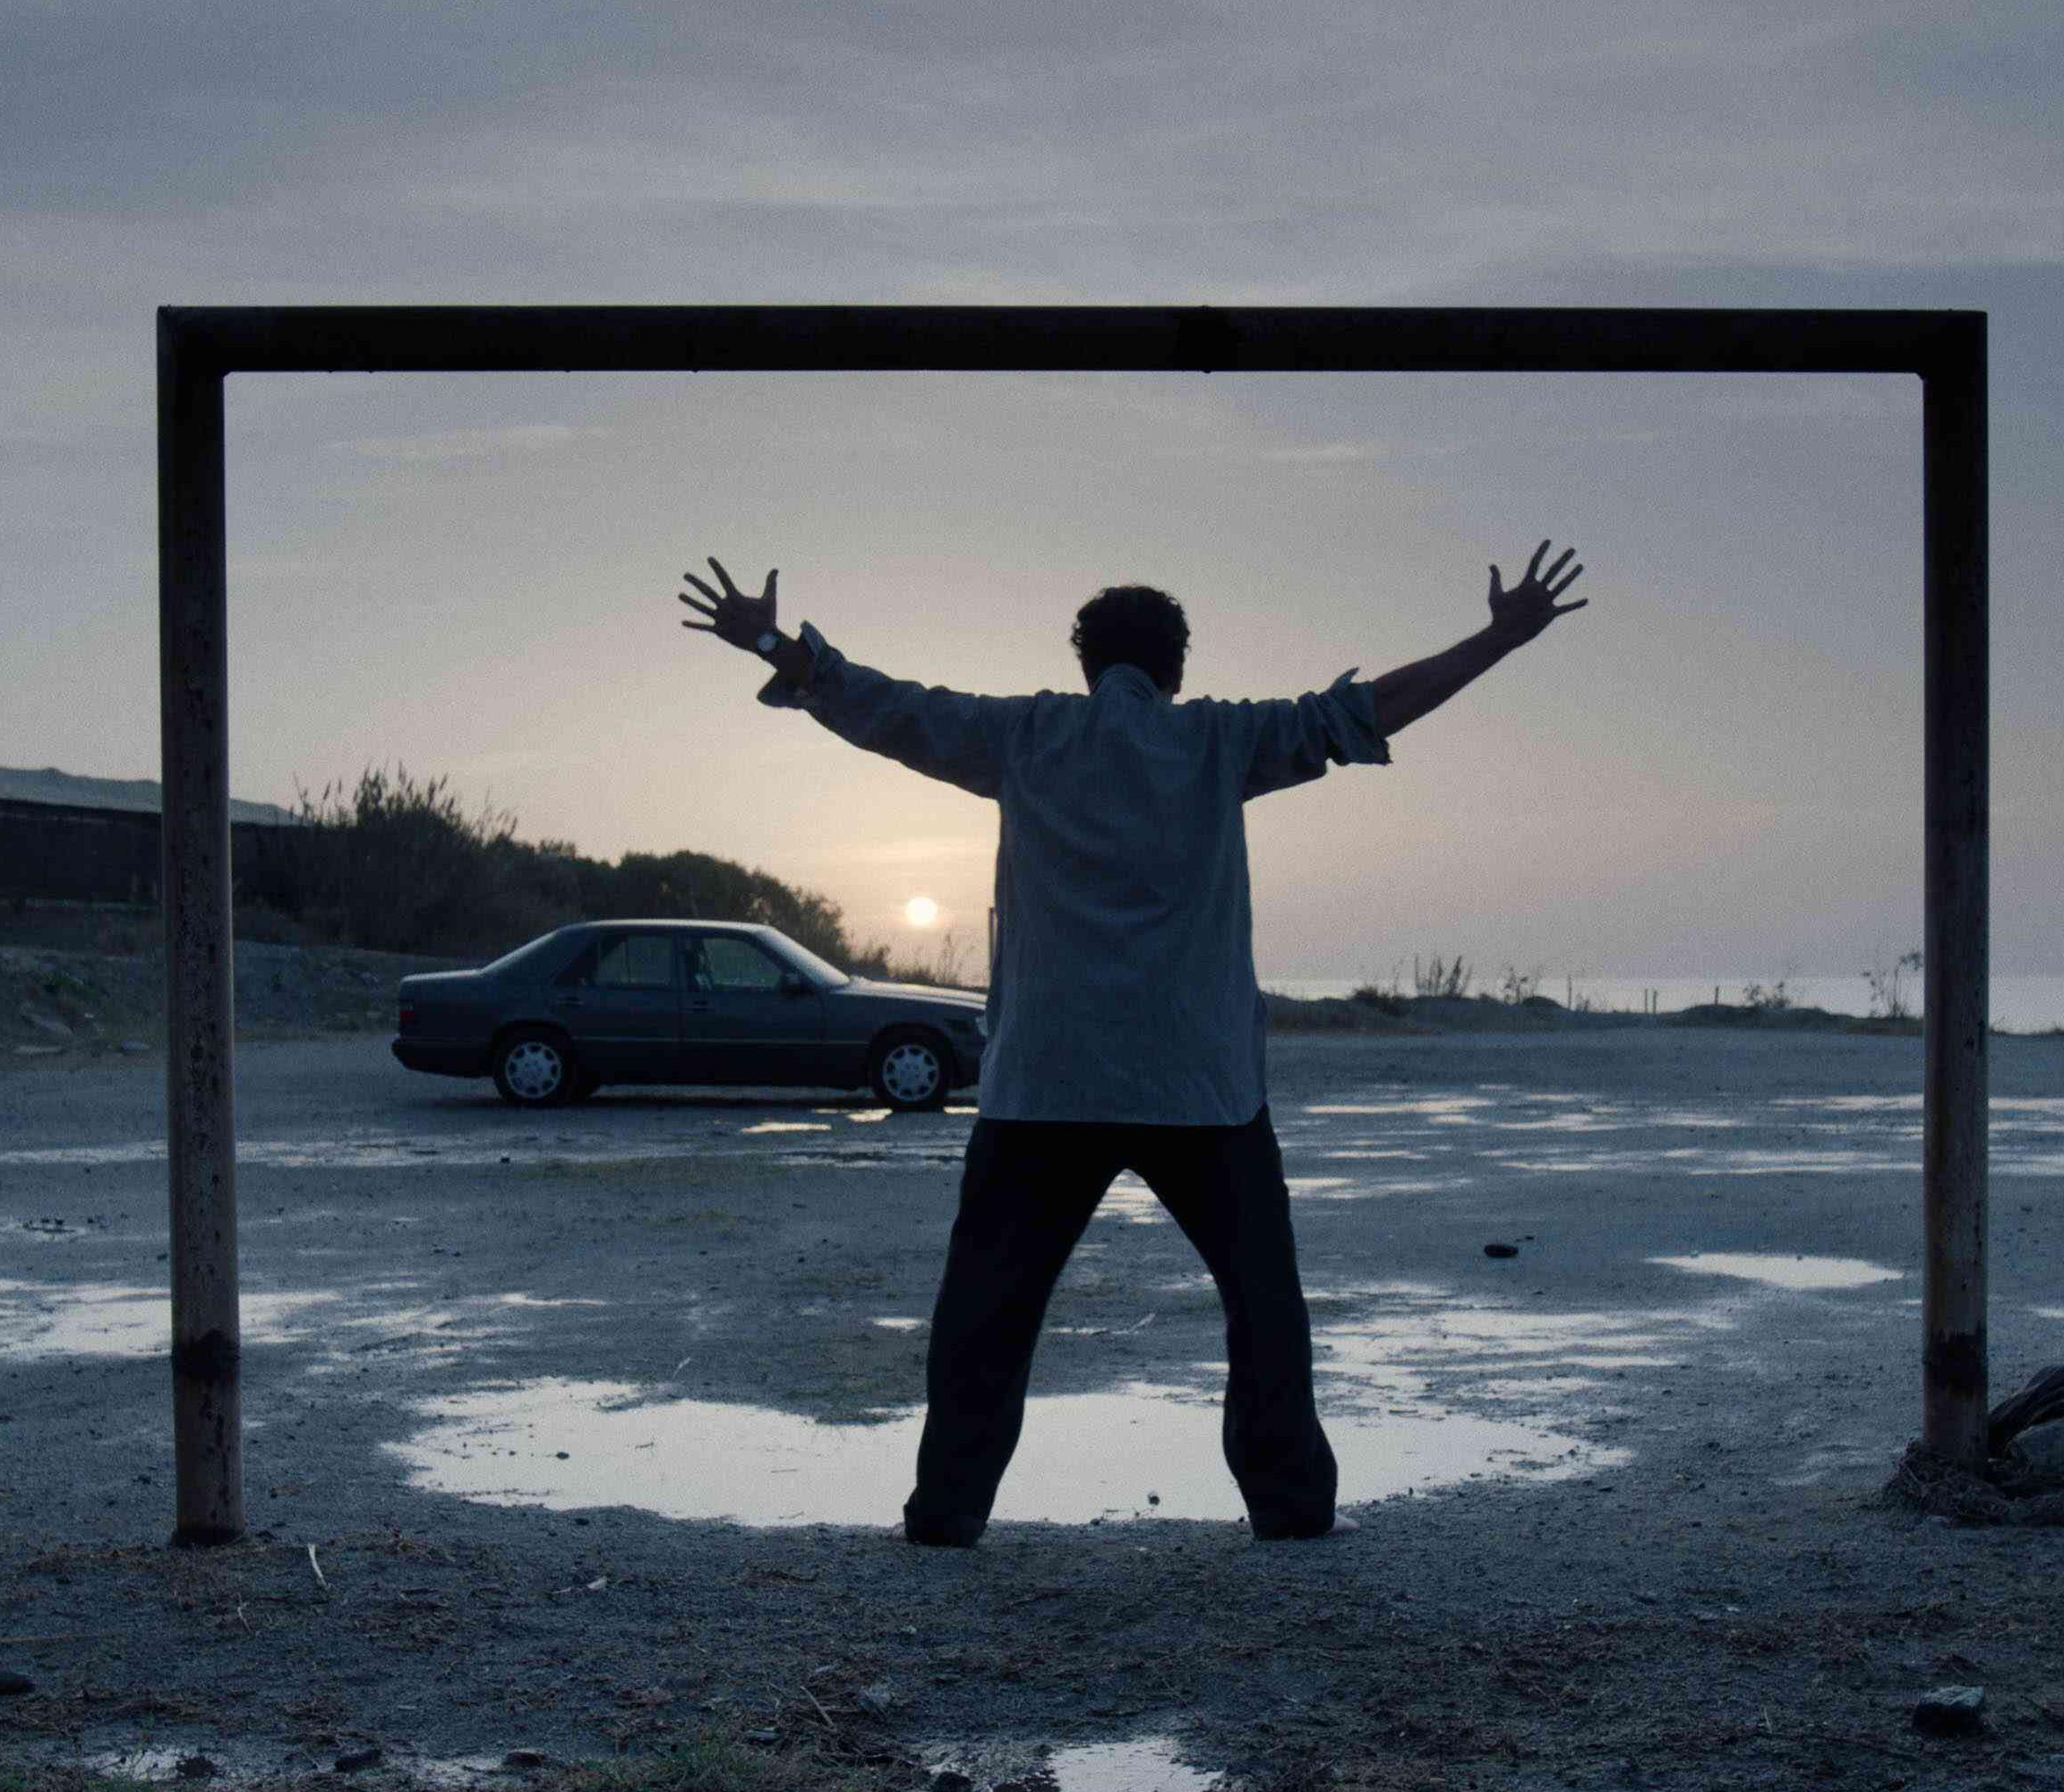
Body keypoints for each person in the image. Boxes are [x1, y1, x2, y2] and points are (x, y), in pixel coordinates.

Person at [678, 545, 1587, 1545]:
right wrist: (1503, 636)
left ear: (1084, 663)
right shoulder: (1219, 742)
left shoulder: (1024, 735)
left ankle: (945, 1515)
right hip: (1195, 1088)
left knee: (984, 1316)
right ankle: (1289, 1515)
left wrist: (768, 641)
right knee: (1263, 1309)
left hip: (1044, 1086)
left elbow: (886, 707)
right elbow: (1368, 711)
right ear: (1175, 669)